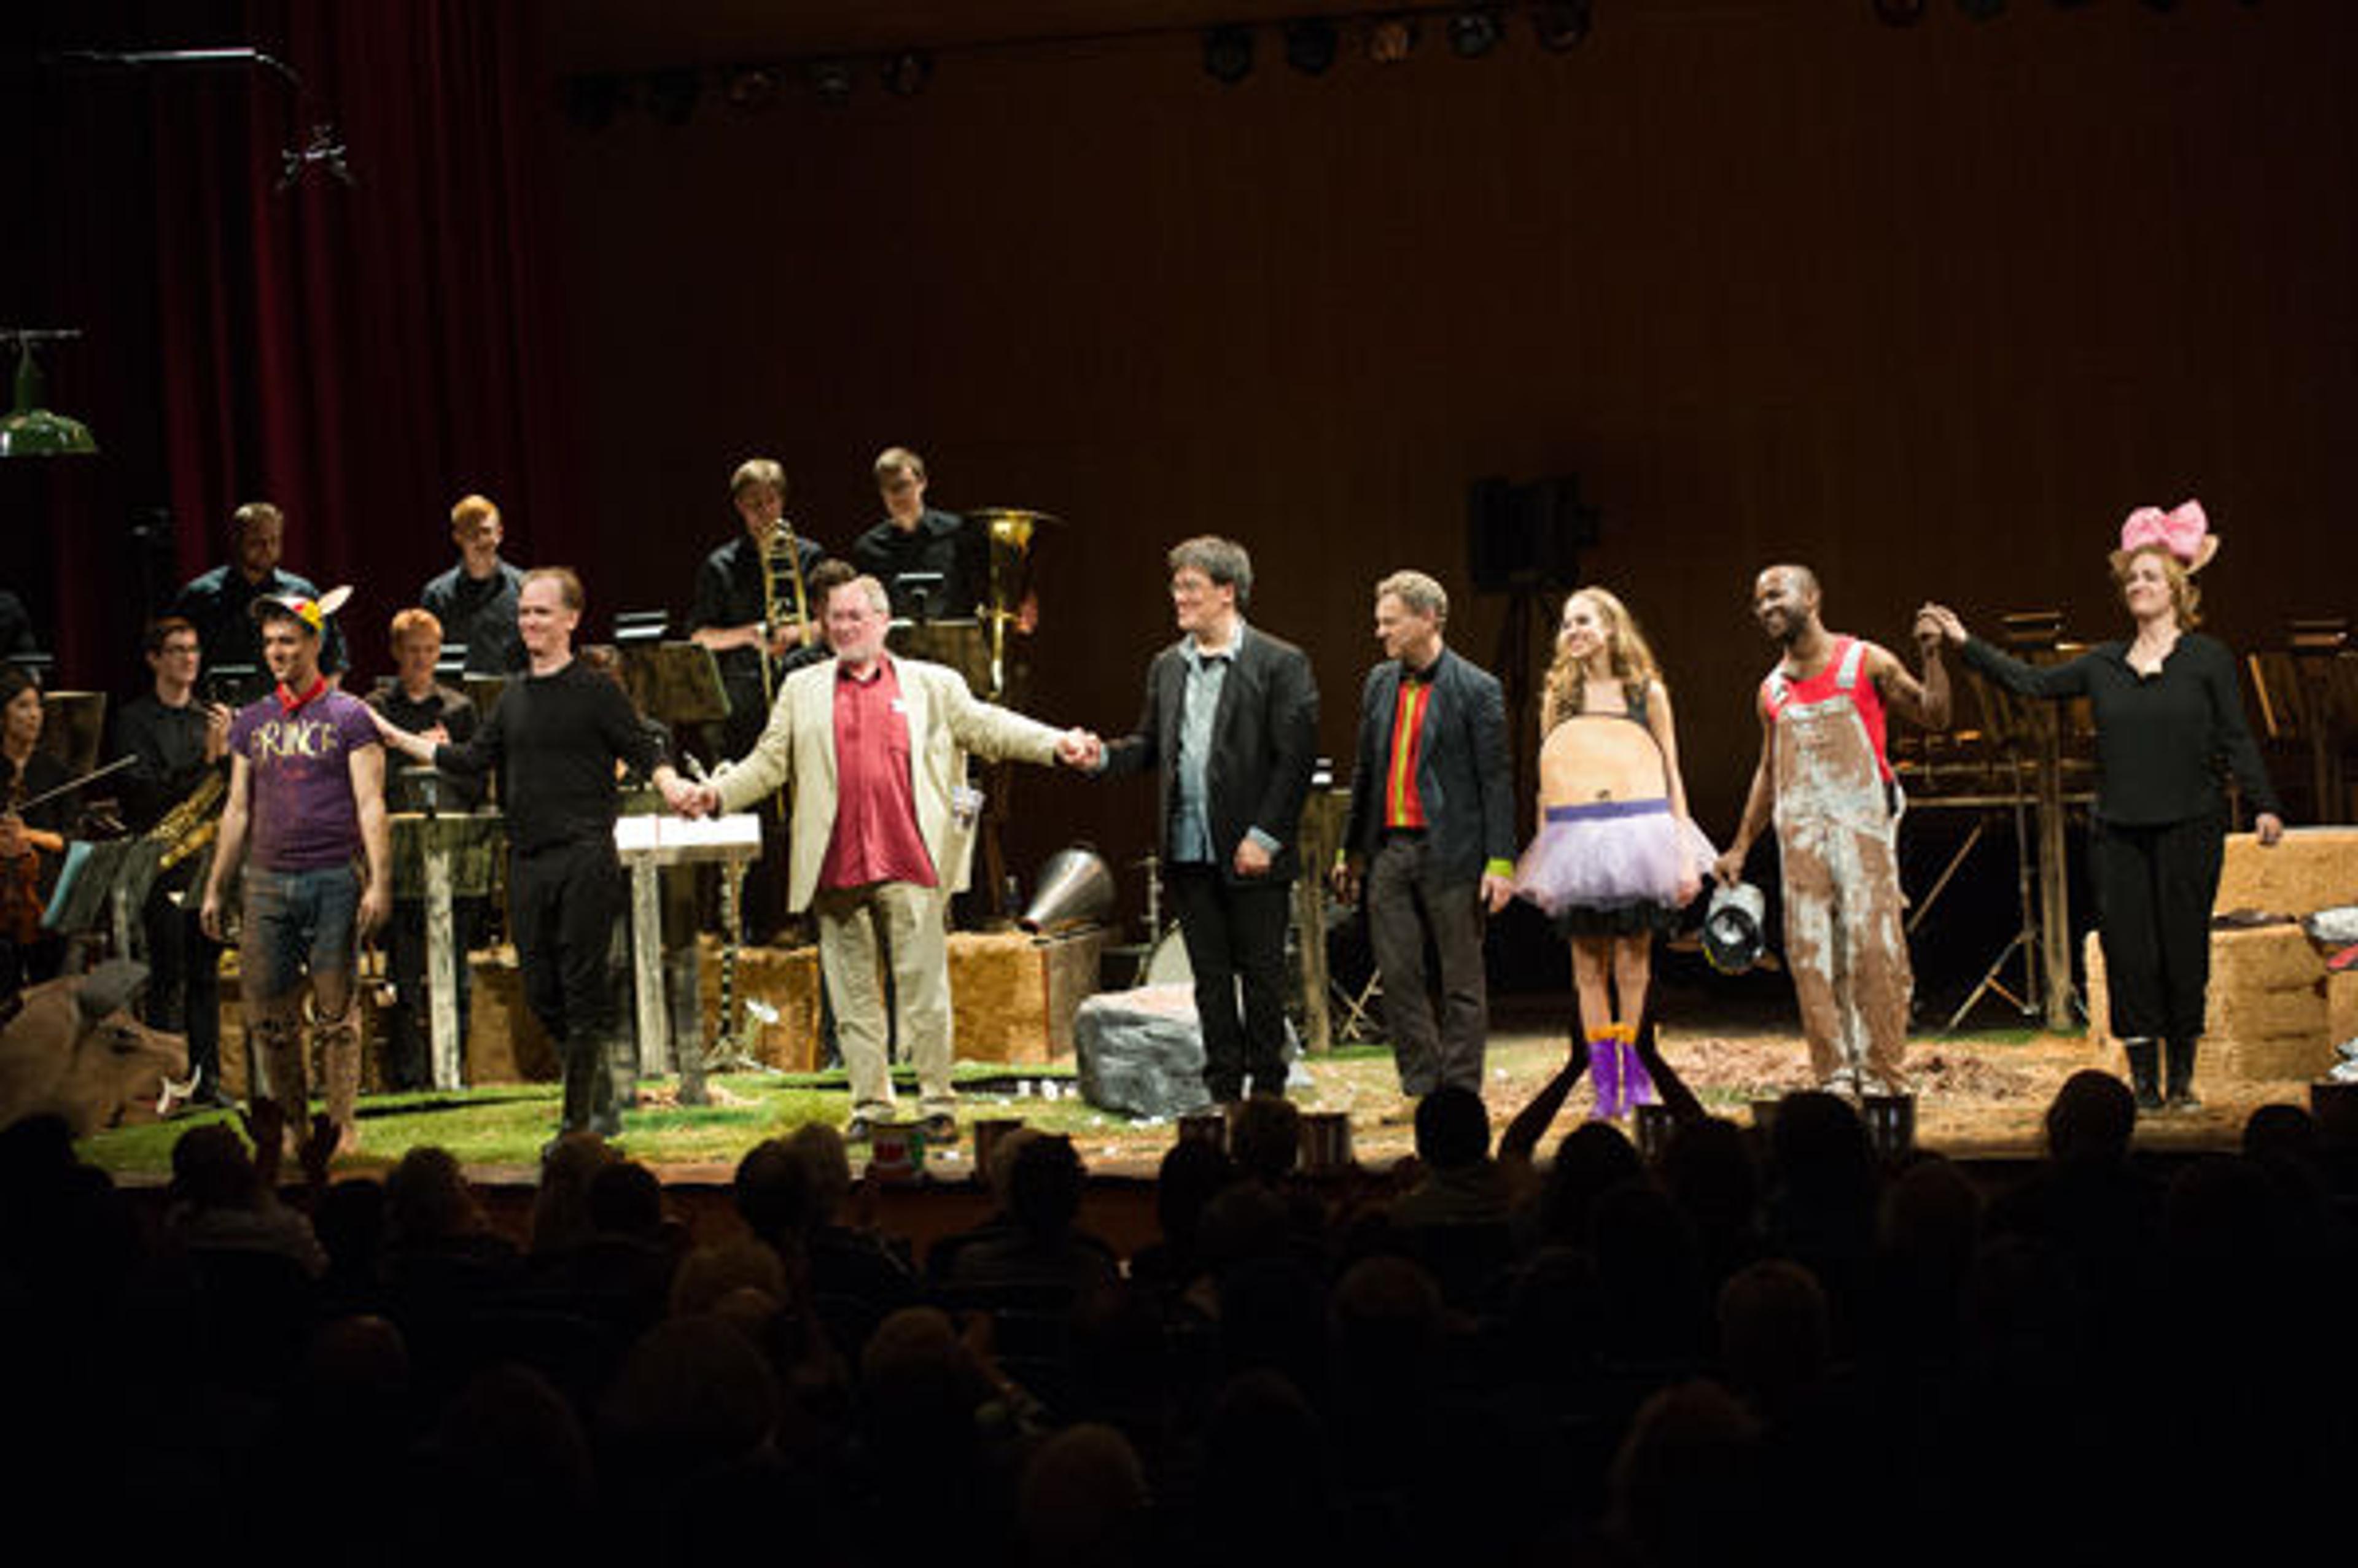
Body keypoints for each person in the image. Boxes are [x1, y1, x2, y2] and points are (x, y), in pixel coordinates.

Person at [673, 566, 1099, 1142]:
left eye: (854, 617)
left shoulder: (933, 684)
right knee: (852, 1001)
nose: (843, 627)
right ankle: (871, 1106)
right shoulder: (802, 690)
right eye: (834, 618)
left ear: (881, 621)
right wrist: (717, 794)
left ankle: (936, 1103)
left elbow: (989, 727)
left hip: (911, 860)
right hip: (836, 865)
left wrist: (1057, 743)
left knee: (925, 993)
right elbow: (768, 764)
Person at [1921, 500, 2284, 1112]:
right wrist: (1966, 643)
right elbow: (2031, 683)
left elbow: (2237, 737)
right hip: (2119, 830)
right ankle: (2143, 1083)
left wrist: (2265, 803)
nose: (2138, 585)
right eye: (2131, 579)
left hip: (2190, 823)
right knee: (2130, 953)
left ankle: (2182, 1080)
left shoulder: (2208, 660)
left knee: (2183, 948)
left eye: (2150, 577)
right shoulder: (2104, 664)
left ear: (2177, 590)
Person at [375, 569, 691, 1142]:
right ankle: (600, 1104)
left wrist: (673, 787)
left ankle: (578, 1125)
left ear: (571, 619)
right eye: (524, 613)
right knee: (543, 990)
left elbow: (645, 748)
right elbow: (471, 760)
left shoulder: (597, 691)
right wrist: (396, 738)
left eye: (541, 613)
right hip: (526, 861)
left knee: (581, 986)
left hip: (584, 856)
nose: (529, 622)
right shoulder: (513, 696)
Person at [1097, 537, 1320, 1106]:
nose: (1179, 597)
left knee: (1263, 982)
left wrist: (1264, 836)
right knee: (1212, 985)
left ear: (1227, 592)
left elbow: (1294, 762)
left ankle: (1268, 1095)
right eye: (1176, 587)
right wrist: (1100, 755)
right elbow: (1149, 745)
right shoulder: (1167, 666)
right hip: (1189, 851)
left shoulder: (1280, 663)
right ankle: (1223, 1094)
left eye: (1191, 587)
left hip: (1253, 852)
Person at [1714, 565, 1949, 1096]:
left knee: (1874, 949)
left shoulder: (1864, 662)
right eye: (1758, 601)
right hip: (1800, 837)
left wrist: (1933, 655)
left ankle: (1884, 1073)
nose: (1766, 607)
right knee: (1811, 954)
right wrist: (1740, 846)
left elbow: (1935, 715)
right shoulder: (1771, 690)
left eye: (1776, 594)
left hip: (1862, 829)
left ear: (1813, 597)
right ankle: (1836, 1076)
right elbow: (1768, 771)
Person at [200, 591, 391, 1154]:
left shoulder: (350, 716)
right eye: (269, 643)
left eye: (287, 640)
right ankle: (290, 1124)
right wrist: (216, 884)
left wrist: (379, 880)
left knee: (336, 1012)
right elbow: (236, 808)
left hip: (334, 875)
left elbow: (371, 804)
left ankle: (340, 1125)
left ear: (315, 641)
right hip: (265, 881)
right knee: (269, 1017)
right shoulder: (251, 722)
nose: (276, 652)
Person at [1516, 588, 1715, 1119]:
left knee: (1633, 962)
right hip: (1576, 837)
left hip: (1638, 833)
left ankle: (1638, 1078)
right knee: (1587, 966)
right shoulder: (1558, 696)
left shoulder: (1645, 693)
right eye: (1565, 624)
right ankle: (1606, 1083)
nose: (1573, 631)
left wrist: (1679, 852)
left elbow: (1671, 771)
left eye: (1583, 621)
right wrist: (1545, 859)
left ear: (1610, 627)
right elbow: (1548, 779)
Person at [1333, 570, 1516, 1108]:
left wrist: (1500, 862)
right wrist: (1352, 849)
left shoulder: (1476, 688)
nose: (1380, 632)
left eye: (1390, 622)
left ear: (1427, 619)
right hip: (1392, 849)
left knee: (1461, 976)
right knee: (1399, 973)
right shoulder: (1378, 683)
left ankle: (1459, 1090)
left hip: (1452, 851)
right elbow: (1365, 768)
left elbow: (1495, 780)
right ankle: (1421, 1085)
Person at [689, 459, 828, 940]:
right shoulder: (721, 564)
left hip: (804, 688)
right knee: (751, 809)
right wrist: (750, 635)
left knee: (808, 802)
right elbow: (701, 636)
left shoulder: (807, 556)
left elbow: (833, 623)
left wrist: (798, 633)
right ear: (738, 508)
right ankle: (748, 920)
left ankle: (806, 915)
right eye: (753, 505)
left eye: (770, 502)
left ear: (783, 501)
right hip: (745, 699)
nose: (763, 513)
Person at [111, 618, 233, 1103]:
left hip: (208, 863)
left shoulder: (209, 717)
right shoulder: (133, 721)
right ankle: (167, 1082)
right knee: (168, 976)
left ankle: (209, 1081)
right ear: (154, 659)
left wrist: (226, 756)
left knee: (205, 975)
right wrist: (206, 760)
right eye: (177, 650)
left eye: (194, 650)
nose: (188, 658)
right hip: (160, 866)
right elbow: (142, 800)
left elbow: (231, 792)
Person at [365, 608, 486, 1092]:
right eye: (412, 651)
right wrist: (416, 748)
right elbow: (369, 781)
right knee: (406, 973)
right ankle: (409, 1077)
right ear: (396, 653)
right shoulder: (376, 708)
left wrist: (447, 756)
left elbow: (478, 782)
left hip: (452, 854)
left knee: (454, 970)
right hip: (400, 853)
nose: (421, 660)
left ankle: (452, 1071)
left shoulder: (458, 709)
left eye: (429, 651)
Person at [169, 502, 347, 697]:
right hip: (219, 713)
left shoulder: (301, 592)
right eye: (257, 542)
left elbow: (334, 655)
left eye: (274, 541)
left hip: (287, 714)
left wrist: (321, 703)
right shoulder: (200, 596)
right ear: (237, 541)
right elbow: (174, 658)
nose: (267, 549)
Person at [851, 446, 987, 622]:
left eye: (903, 485)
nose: (896, 495)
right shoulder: (868, 548)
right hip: (894, 646)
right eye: (888, 488)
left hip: (954, 644)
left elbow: (984, 590)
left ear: (922, 483)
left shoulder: (959, 532)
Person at [1, 664, 71, 996]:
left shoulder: (54, 771)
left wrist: (29, 836)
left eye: (38, 706)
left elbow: (70, 839)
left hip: (45, 900)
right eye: (23, 706)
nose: (34, 715)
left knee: (49, 997)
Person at [420, 493, 527, 675]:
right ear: (457, 536)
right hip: (460, 700)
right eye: (470, 532)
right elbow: (429, 657)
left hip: (515, 699)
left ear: (500, 534)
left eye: (486, 531)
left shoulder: (525, 587)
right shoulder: (436, 595)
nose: (479, 540)